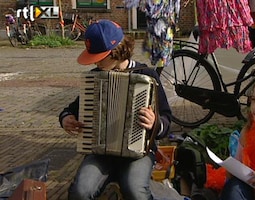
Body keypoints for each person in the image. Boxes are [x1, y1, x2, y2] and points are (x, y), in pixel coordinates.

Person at [58, 19, 172, 200]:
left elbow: (167, 119)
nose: (95, 64)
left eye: (98, 58)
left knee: (135, 192)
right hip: (100, 152)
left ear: (115, 52)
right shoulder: (94, 79)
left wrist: (154, 123)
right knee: (80, 192)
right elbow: (69, 110)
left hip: (138, 154)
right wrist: (66, 119)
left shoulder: (147, 75)